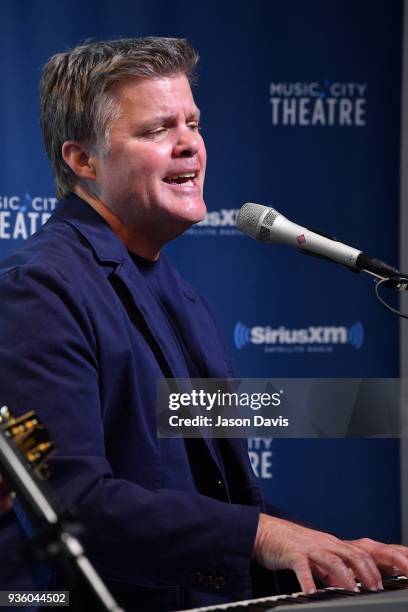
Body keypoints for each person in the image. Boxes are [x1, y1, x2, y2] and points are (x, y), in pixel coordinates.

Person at [0, 37, 407, 611]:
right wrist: (262, 536)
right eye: (157, 130)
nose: (190, 144)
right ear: (82, 160)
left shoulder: (178, 295)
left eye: (193, 122)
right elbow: (70, 503)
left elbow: (203, 492)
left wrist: (329, 549)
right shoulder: (39, 289)